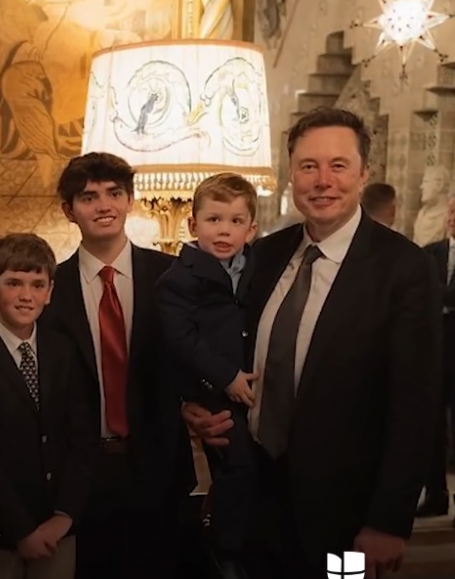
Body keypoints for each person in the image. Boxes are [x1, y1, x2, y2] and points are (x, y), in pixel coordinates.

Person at [182, 107, 442, 578]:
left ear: (364, 174)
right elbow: (222, 346)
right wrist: (198, 407)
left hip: (347, 517)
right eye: (308, 166)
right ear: (291, 174)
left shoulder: (404, 268)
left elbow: (416, 406)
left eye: (338, 165)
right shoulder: (262, 255)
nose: (323, 181)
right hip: (255, 504)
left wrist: (388, 521)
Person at [0, 152, 195, 579]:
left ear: (130, 200)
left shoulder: (172, 277)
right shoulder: (47, 290)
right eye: (88, 197)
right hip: (76, 479)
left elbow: (196, 353)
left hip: (158, 468)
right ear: (68, 210)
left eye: (114, 193)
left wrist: (202, 402)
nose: (103, 205)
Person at [0, 233, 97, 579]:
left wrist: (64, 516)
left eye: (37, 285)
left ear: (50, 291)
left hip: (57, 529)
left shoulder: (64, 351)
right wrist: (20, 530)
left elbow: (82, 438)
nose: (26, 295)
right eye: (14, 283)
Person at [155, 172, 259, 573]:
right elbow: (181, 340)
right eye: (214, 220)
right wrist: (226, 377)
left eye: (235, 221)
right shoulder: (179, 279)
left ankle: (249, 547)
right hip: (212, 390)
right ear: (193, 224)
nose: (224, 230)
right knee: (237, 464)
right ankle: (224, 549)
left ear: (251, 229)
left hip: (254, 386)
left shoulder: (256, 266)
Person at [419, 197, 455, 519]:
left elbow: (435, 293)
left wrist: (439, 295)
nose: (453, 217)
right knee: (430, 428)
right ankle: (435, 495)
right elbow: (420, 291)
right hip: (433, 354)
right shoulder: (431, 252)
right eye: (452, 210)